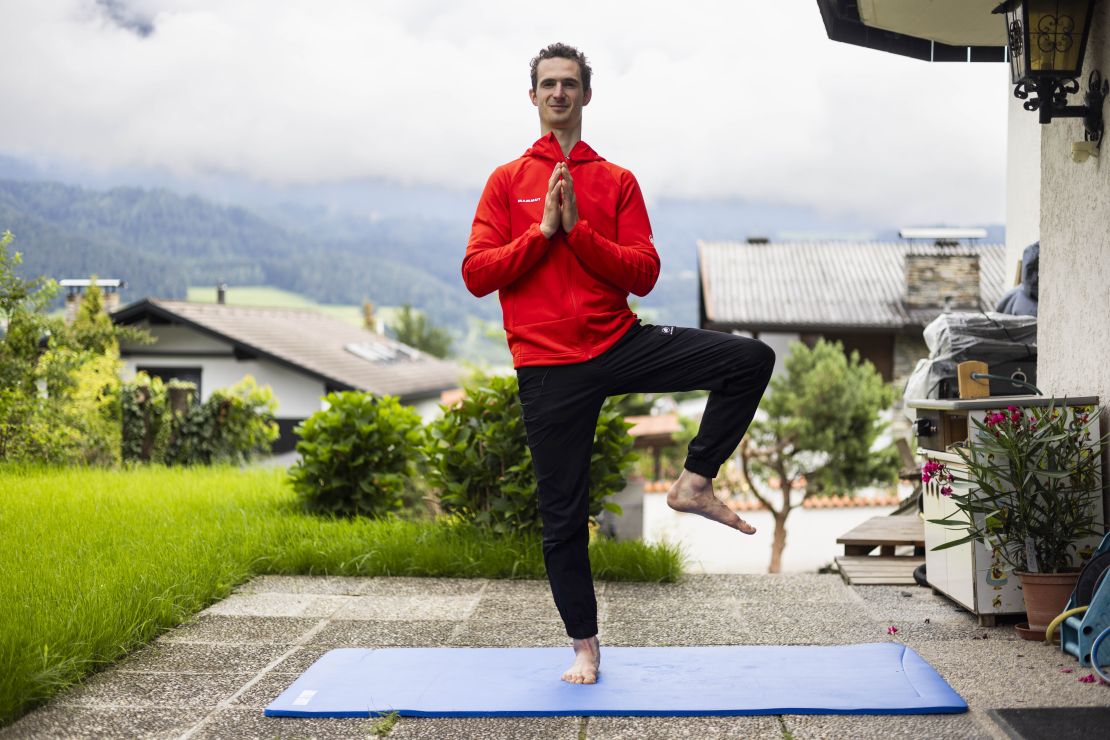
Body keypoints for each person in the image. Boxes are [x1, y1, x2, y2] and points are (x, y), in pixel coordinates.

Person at [461, 42, 775, 685]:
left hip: (618, 341)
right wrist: (542, 232)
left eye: (569, 83)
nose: (558, 94)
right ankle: (584, 645)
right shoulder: (506, 182)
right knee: (562, 515)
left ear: (586, 95)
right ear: (533, 97)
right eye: (547, 84)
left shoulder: (616, 181)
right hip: (548, 366)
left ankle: (694, 482)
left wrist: (579, 232)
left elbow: (646, 273)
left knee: (749, 358)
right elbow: (475, 274)